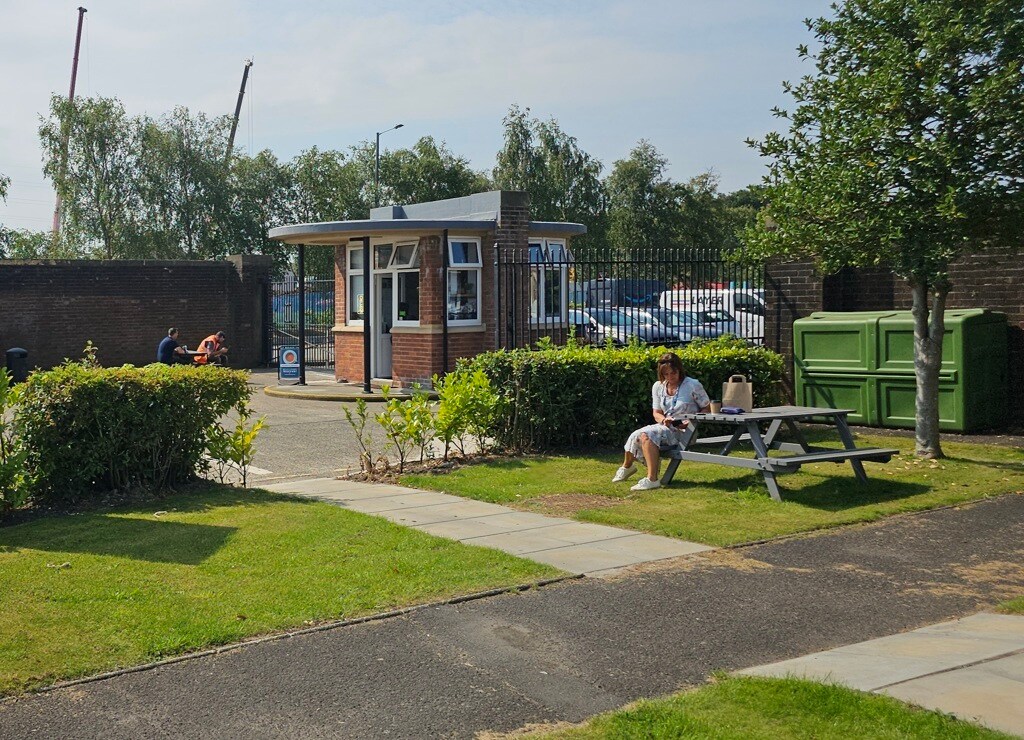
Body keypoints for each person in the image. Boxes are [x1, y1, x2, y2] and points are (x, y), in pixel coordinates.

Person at [613, 352, 711, 491]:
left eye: (673, 373)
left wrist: (690, 421)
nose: (670, 377)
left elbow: (707, 408)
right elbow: (657, 413)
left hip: (686, 432)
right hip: (666, 426)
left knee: (646, 435)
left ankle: (652, 479)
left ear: (679, 370)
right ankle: (627, 467)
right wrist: (664, 420)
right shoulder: (658, 386)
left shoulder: (692, 385)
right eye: (666, 374)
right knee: (638, 434)